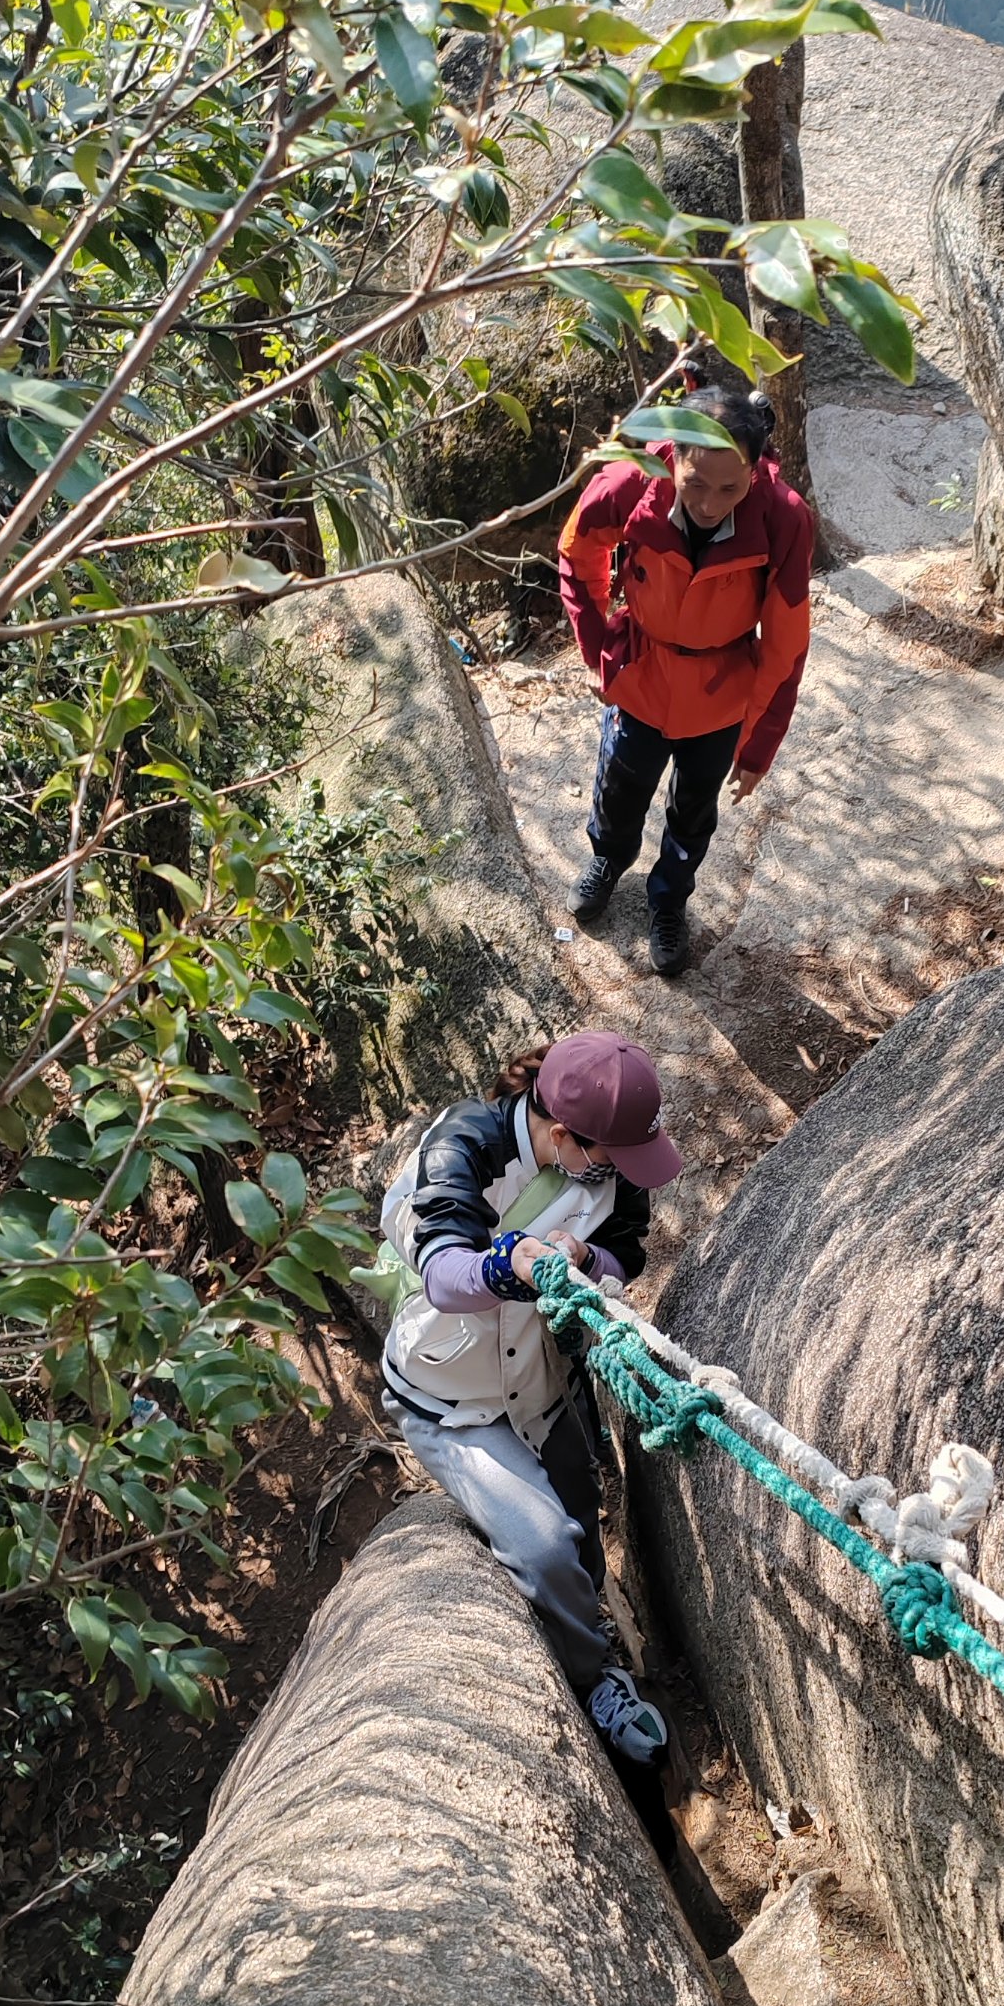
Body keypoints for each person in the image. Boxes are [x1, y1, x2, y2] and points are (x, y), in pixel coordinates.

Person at [376, 1031, 683, 1762]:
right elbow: (445, 1275)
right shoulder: (465, 1144)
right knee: (545, 1546)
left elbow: (628, 1250)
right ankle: (598, 1677)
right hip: (453, 1397)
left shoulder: (613, 1163)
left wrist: (587, 1256)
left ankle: (595, 1612)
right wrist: (510, 1263)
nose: (623, 1173)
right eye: (611, 1157)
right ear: (561, 1134)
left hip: (542, 1380)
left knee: (581, 1517)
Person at [557, 382, 814, 978]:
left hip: (721, 693)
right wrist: (600, 653)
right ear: (675, 454)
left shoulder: (782, 517)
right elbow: (578, 554)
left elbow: (785, 642)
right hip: (642, 674)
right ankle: (609, 858)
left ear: (756, 466)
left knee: (695, 809)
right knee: (622, 781)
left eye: (731, 486)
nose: (708, 502)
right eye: (694, 482)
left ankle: (668, 900)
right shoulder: (631, 480)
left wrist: (757, 746)